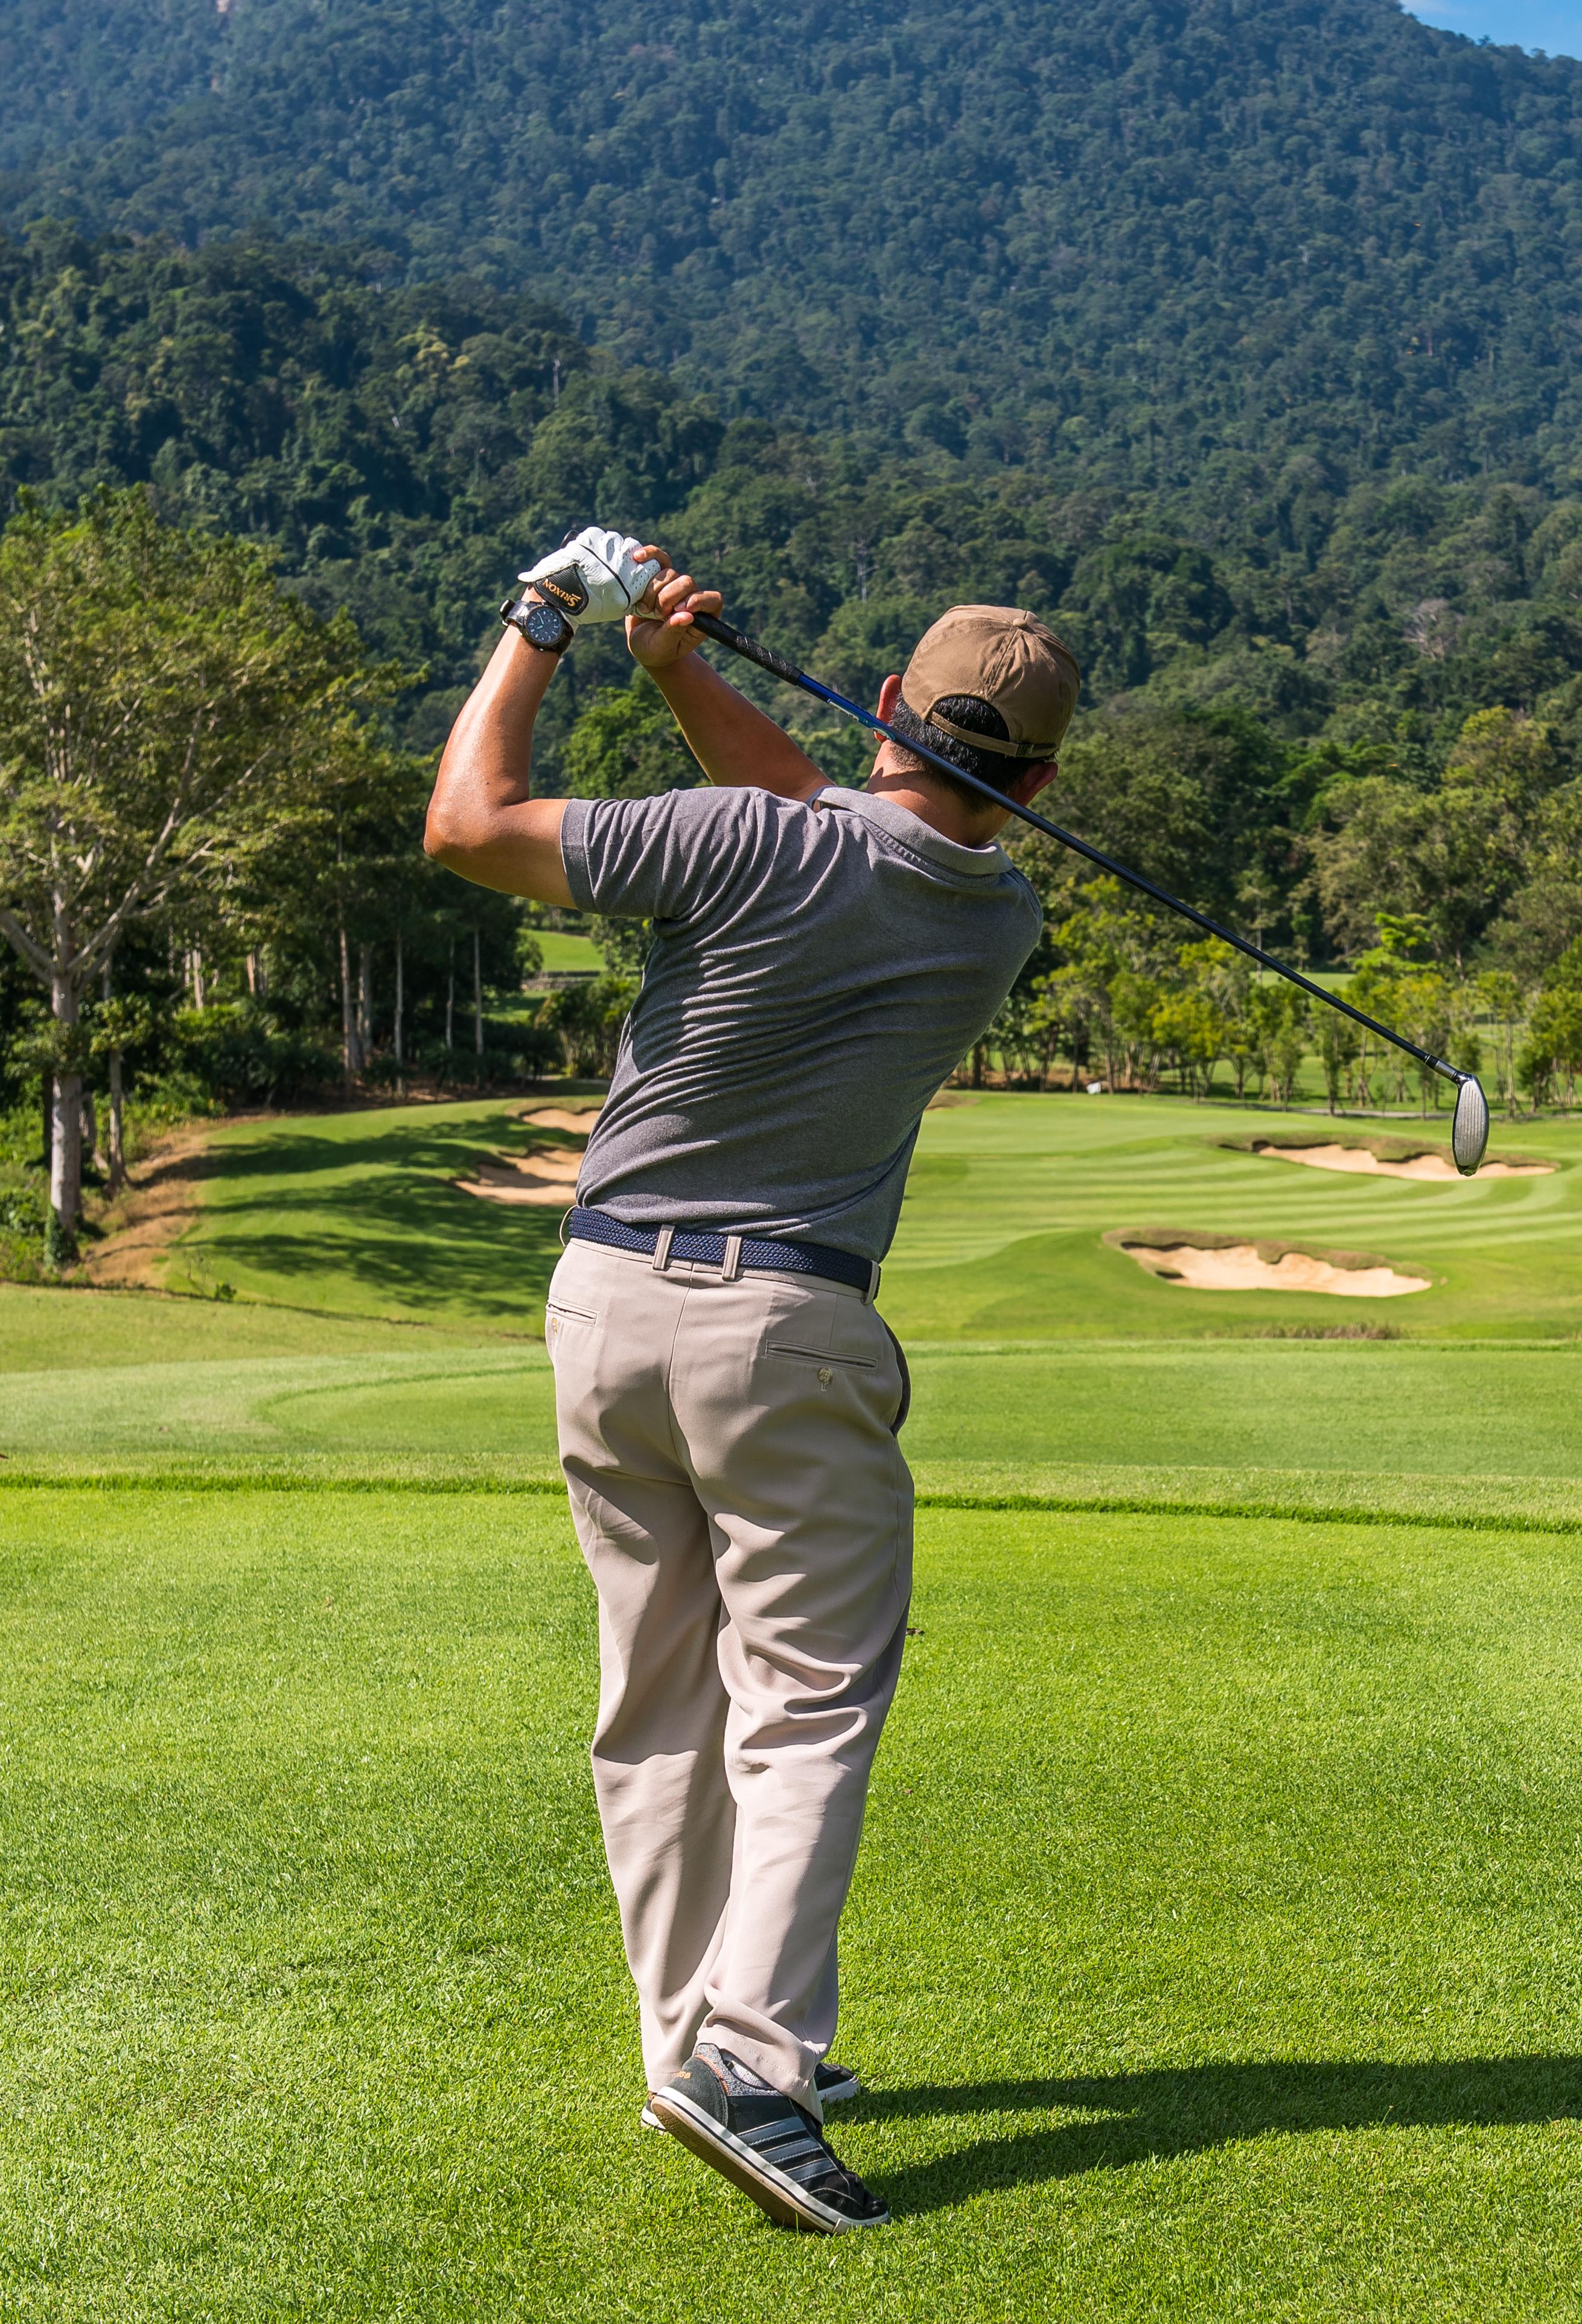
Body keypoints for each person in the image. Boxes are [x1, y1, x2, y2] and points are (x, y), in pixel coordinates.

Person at [425, 527, 1079, 2233]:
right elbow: (827, 823)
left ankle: (684, 2047)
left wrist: (546, 622)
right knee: (804, 1701)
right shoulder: (995, 913)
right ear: (1044, 778)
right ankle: (754, 2060)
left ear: (881, 703)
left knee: (659, 1700)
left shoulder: (749, 839)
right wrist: (678, 671)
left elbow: (467, 826)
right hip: (785, 1329)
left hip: (600, 1302)